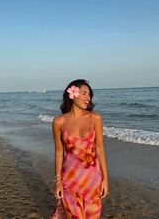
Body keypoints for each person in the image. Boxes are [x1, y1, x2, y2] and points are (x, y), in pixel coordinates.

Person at [51, 79, 109, 219]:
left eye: (89, 94)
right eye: (84, 93)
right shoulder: (59, 122)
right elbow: (59, 152)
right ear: (73, 94)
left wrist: (105, 179)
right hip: (69, 180)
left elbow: (100, 149)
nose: (88, 97)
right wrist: (58, 181)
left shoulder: (95, 118)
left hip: (92, 180)